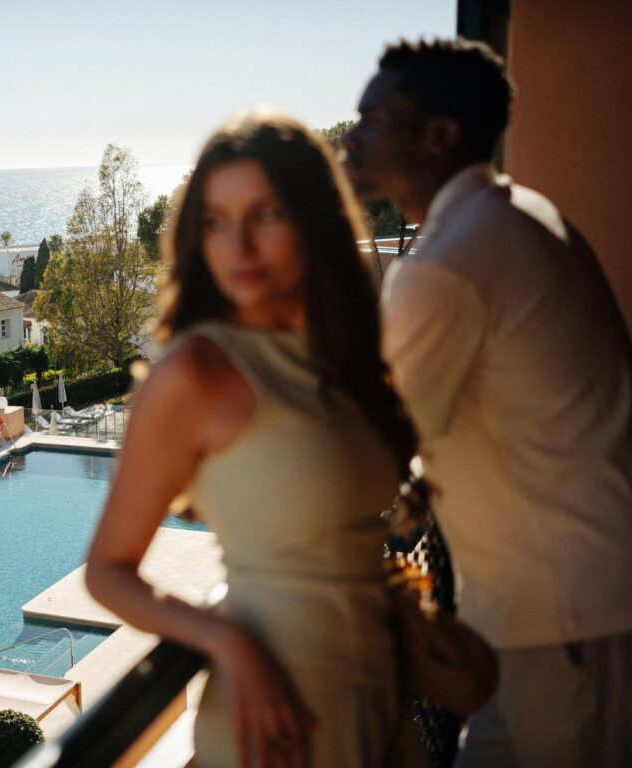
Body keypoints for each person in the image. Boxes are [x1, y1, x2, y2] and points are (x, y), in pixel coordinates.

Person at [342, 38, 632, 767]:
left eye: (374, 121)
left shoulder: (449, 265)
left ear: (439, 136)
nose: (351, 138)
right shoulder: (528, 213)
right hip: (562, 609)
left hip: (571, 622)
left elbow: (367, 448)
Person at [86, 113, 423, 767]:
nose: (237, 245)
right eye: (215, 221)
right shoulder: (195, 372)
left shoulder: (342, 356)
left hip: (382, 712)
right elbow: (107, 571)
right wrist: (228, 641)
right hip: (278, 734)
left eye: (265, 214)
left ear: (314, 219)